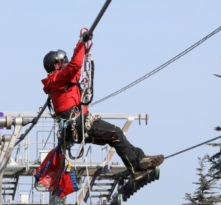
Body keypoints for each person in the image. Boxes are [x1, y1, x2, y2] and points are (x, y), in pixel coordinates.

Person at [41, 31, 164, 176]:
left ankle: (141, 159)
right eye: (64, 62)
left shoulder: (61, 81)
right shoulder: (57, 79)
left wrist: (83, 49)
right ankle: (136, 169)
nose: (67, 64)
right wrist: (80, 43)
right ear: (56, 65)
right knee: (116, 132)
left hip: (76, 127)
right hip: (78, 124)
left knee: (115, 137)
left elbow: (76, 70)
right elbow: (74, 66)